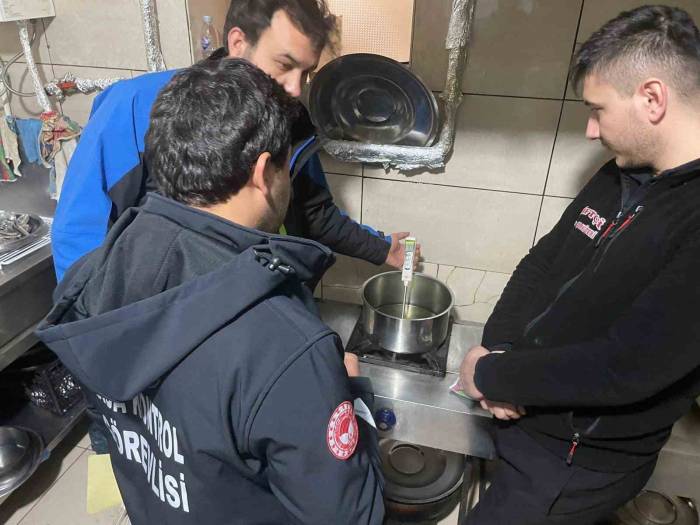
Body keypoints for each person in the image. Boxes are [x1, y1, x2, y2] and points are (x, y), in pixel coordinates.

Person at [36, 58, 385, 525]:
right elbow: (351, 516)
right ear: (265, 173)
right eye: (288, 167)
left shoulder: (98, 273)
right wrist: (354, 393)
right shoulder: (285, 345)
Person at [458, 5, 700, 524]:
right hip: (528, 421)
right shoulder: (624, 172)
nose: (591, 130)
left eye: (598, 109)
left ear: (652, 98)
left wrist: (494, 375)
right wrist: (495, 348)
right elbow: (545, 261)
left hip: (572, 465)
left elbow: (625, 366)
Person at [50, 0, 413, 283]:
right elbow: (78, 234)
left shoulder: (293, 119)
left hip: (259, 311)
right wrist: (106, 334)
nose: (294, 87)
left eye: (306, 71)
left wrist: (382, 250)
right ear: (238, 42)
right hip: (162, 329)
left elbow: (314, 212)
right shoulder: (134, 105)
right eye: (284, 64)